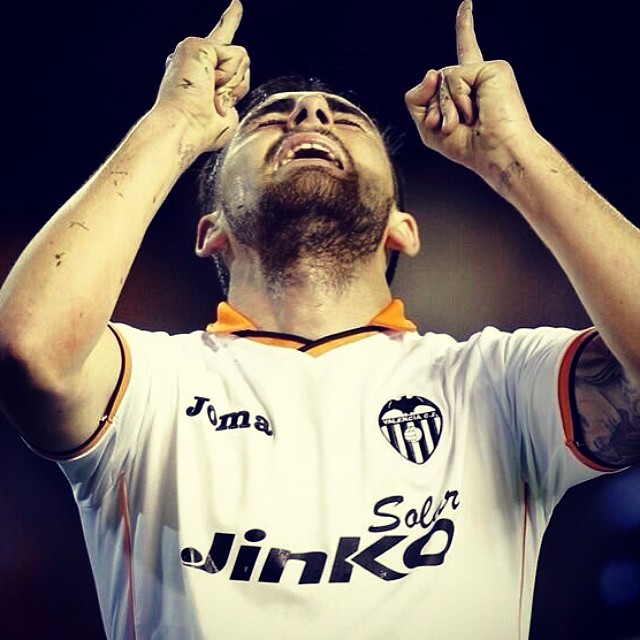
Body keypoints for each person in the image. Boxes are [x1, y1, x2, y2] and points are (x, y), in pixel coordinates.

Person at [0, 0, 638, 638]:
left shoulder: (495, 383)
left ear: (403, 229)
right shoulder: (150, 386)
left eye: (346, 119)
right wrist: (172, 126)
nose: (310, 113)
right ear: (210, 231)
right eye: (269, 119)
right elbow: (28, 348)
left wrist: (516, 155)